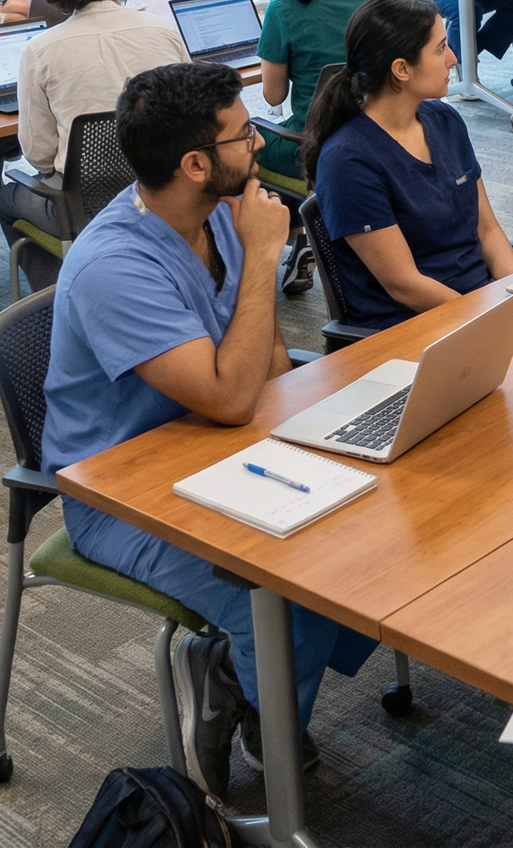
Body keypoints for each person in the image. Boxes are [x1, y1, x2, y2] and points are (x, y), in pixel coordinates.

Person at [41, 63, 377, 793]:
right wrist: (263, 255)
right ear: (195, 164)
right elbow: (229, 395)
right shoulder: (115, 265)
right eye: (243, 134)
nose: (257, 144)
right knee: (291, 597)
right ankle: (249, 698)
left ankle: (246, 673)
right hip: (125, 490)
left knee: (376, 536)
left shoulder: (220, 212)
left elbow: (269, 365)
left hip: (223, 446)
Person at [302, 0, 513, 331]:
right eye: (440, 48)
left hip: (478, 308)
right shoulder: (348, 160)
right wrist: (490, 317)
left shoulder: (445, 121)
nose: (453, 57)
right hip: (412, 329)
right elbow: (403, 284)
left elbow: (487, 230)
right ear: (401, 69)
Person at [0, 0, 188, 288]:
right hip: (169, 195)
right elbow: (194, 114)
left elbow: (39, 157)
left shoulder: (41, 50)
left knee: (6, 197)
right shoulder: (163, 32)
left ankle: (60, 297)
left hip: (85, 211)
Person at [257, 0, 388, 179]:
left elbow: (274, 96)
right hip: (376, 135)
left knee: (246, 142)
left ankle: (295, 219)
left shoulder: (281, 9)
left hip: (312, 144)